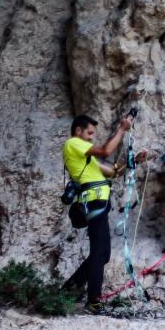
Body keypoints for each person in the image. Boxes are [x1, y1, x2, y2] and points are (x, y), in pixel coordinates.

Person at [62, 112, 132, 311]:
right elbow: (106, 151)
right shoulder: (73, 143)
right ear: (78, 131)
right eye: (89, 133)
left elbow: (114, 172)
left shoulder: (87, 159)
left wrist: (135, 160)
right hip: (92, 202)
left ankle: (68, 290)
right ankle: (93, 300)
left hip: (97, 203)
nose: (92, 137)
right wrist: (122, 129)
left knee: (103, 254)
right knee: (98, 252)